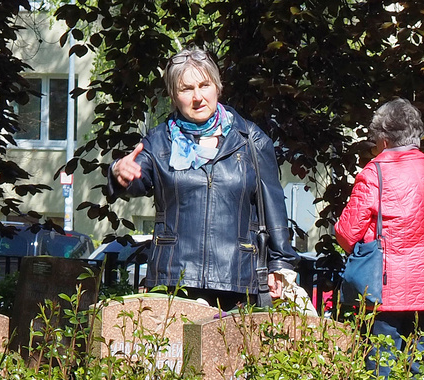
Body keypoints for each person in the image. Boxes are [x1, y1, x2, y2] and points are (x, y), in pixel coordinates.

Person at [108, 47, 298, 310]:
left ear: (217, 87)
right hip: (173, 278)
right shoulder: (159, 141)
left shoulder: (251, 141)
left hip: (237, 280)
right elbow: (137, 180)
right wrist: (120, 172)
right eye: (186, 89)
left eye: (204, 85)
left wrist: (280, 264)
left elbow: (274, 210)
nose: (197, 97)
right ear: (174, 96)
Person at [334, 98, 424, 375]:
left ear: (383, 140)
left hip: (385, 289)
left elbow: (347, 233)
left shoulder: (374, 173)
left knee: (381, 367)